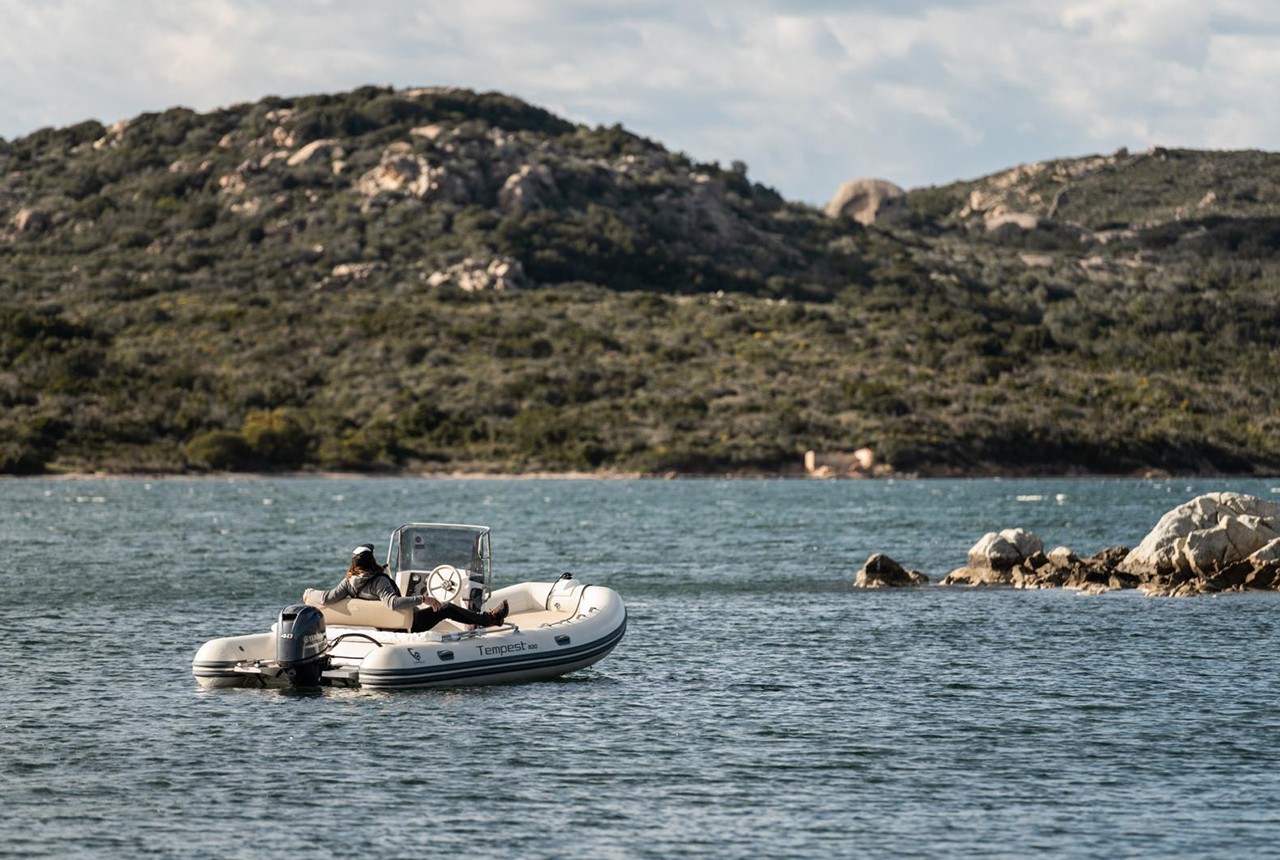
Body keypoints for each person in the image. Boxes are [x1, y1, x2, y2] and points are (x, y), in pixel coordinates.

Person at [310, 543, 508, 633]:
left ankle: (482, 620)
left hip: (381, 627)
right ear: (372, 560)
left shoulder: (349, 581)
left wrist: (308, 593)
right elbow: (394, 603)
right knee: (447, 608)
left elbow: (327, 598)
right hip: (407, 626)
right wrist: (423, 598)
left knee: (440, 608)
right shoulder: (379, 581)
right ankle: (490, 619)